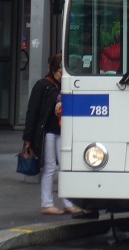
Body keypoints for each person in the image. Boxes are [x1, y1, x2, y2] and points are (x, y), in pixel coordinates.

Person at [23, 53, 87, 216]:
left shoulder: (57, 85)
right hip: (49, 132)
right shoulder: (44, 85)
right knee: (51, 167)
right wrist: (27, 138)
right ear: (54, 69)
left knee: (63, 167)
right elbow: (32, 113)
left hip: (59, 131)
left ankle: (66, 203)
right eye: (59, 70)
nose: (61, 73)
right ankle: (47, 203)